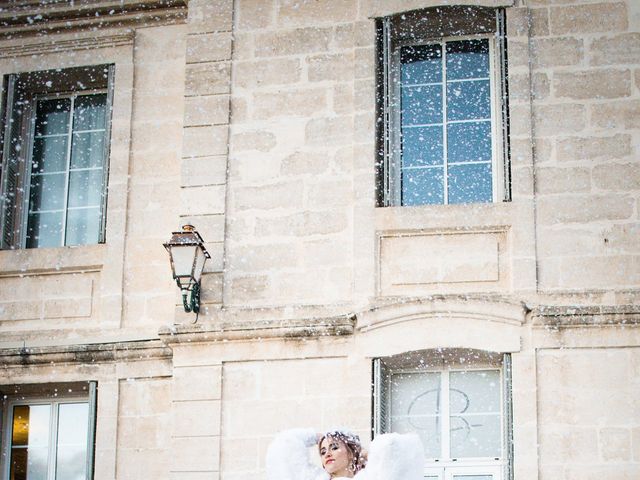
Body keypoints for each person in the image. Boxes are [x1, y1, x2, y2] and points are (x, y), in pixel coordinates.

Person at [265, 428, 424, 480]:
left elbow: (394, 448)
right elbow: (283, 449)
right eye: (322, 451)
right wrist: (315, 435)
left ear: (350, 453)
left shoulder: (369, 477)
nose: (327, 454)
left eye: (334, 447)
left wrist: (365, 454)